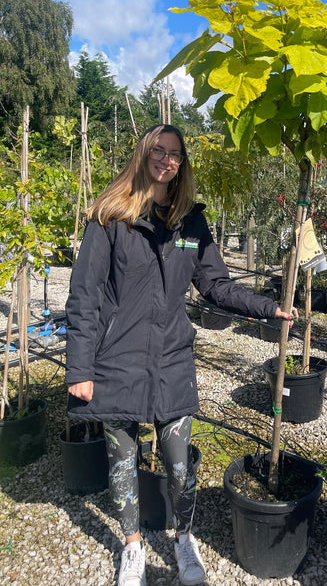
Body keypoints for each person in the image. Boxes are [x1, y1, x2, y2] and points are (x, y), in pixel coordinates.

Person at [65, 124, 297, 586]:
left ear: (181, 164)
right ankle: (131, 547)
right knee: (122, 459)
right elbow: (84, 294)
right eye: (158, 149)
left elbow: (214, 284)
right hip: (117, 359)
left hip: (171, 357)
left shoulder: (191, 222)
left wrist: (268, 307)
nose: (165, 159)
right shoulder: (111, 216)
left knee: (177, 460)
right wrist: (79, 367)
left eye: (174, 154)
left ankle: (183, 538)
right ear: (143, 153)